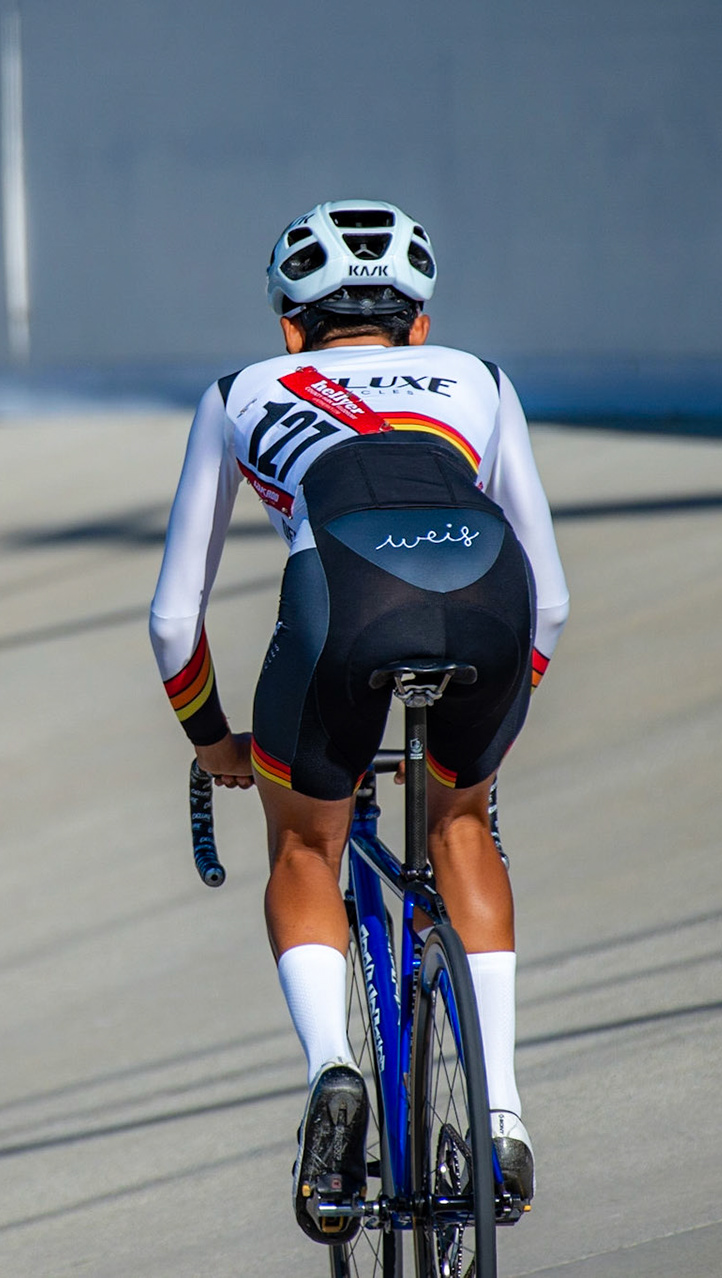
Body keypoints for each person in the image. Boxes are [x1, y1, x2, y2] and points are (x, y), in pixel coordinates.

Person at [149, 200, 568, 1244]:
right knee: (460, 827)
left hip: (342, 596)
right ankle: (504, 1119)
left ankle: (333, 1071)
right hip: (490, 595)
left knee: (306, 846)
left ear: (291, 328)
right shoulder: (480, 378)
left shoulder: (241, 391)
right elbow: (553, 600)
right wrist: (498, 722)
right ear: (419, 326)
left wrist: (212, 738)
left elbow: (172, 618)